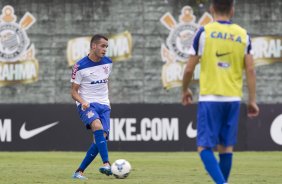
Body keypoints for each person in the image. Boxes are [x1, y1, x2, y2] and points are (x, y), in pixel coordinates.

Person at [182, 0, 259, 183]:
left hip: (210, 97)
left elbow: (188, 69)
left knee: (204, 147)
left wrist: (185, 89)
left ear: (212, 9)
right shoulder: (243, 35)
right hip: (232, 99)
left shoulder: (203, 32)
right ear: (232, 10)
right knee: (226, 148)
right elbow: (250, 70)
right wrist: (252, 100)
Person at [70, 34, 113, 179]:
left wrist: (107, 100)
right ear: (93, 46)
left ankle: (79, 172)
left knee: (101, 139)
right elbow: (73, 91)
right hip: (87, 104)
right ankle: (107, 163)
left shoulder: (108, 62)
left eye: (106, 46)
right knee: (97, 126)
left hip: (104, 105)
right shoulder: (79, 66)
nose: (105, 49)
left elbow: (106, 82)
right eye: (102, 46)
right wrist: (83, 102)